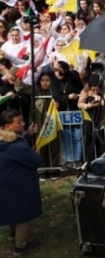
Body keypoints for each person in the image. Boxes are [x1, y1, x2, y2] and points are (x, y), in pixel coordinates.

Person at [0, 109, 41, 256]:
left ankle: (12, 232)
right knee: (22, 213)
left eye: (23, 120)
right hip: (19, 184)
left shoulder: (4, 140)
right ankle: (21, 245)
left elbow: (14, 143)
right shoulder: (17, 146)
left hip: (5, 183)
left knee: (10, 208)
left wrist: (27, 135)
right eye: (18, 123)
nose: (23, 124)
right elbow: (36, 161)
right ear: (7, 126)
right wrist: (35, 154)